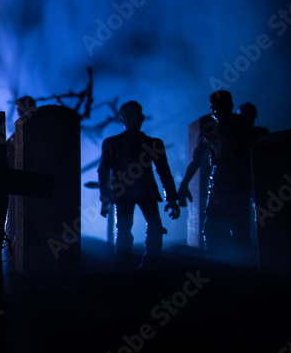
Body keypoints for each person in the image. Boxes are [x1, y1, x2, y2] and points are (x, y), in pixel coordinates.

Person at [98, 100, 180, 269]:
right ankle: (147, 266)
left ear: (122, 120)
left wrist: (105, 197)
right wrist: (171, 197)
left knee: (125, 230)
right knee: (153, 227)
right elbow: (164, 172)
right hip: (145, 191)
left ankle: (125, 267)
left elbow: (103, 172)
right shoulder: (153, 143)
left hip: (123, 193)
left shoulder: (111, 143)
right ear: (142, 118)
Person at [179, 90, 257, 253]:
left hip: (237, 188)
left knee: (239, 233)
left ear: (229, 107)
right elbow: (195, 162)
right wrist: (184, 184)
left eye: (220, 105)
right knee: (211, 231)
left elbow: (253, 162)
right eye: (213, 106)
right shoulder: (208, 134)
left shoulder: (244, 133)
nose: (216, 109)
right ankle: (220, 268)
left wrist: (253, 187)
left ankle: (243, 268)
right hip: (218, 189)